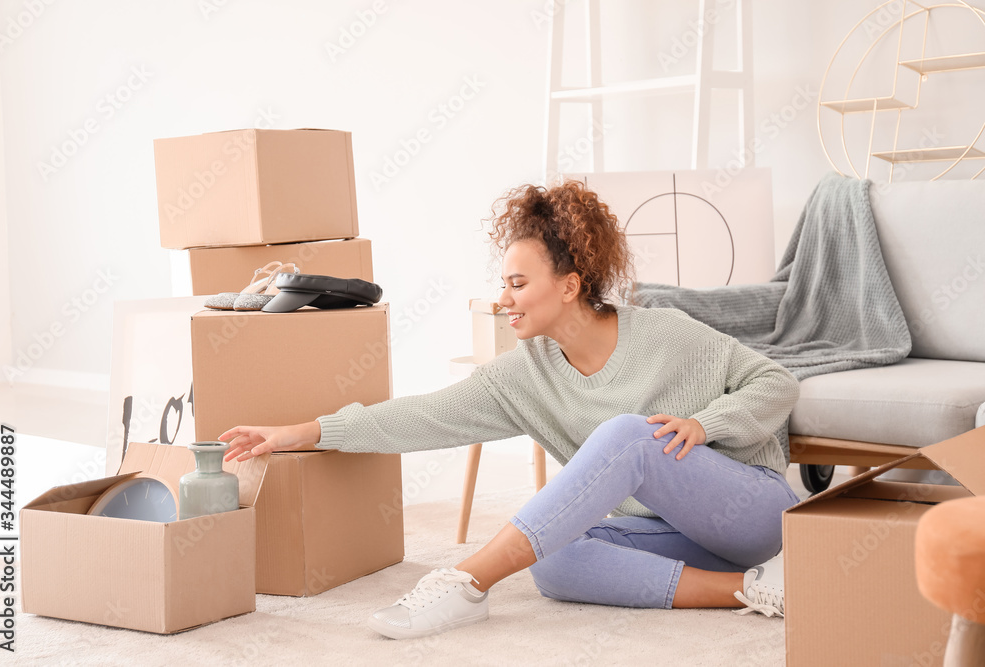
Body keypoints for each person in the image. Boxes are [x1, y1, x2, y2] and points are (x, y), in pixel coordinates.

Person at [219, 180, 800, 640]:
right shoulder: (525, 374)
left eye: (517, 284)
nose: (502, 300)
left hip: (751, 512)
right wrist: (304, 433)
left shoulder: (666, 333)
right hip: (667, 534)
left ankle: (466, 582)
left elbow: (776, 382)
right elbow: (424, 415)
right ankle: (755, 590)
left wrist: (706, 425)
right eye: (503, 284)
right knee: (554, 558)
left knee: (627, 435)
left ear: (570, 286)